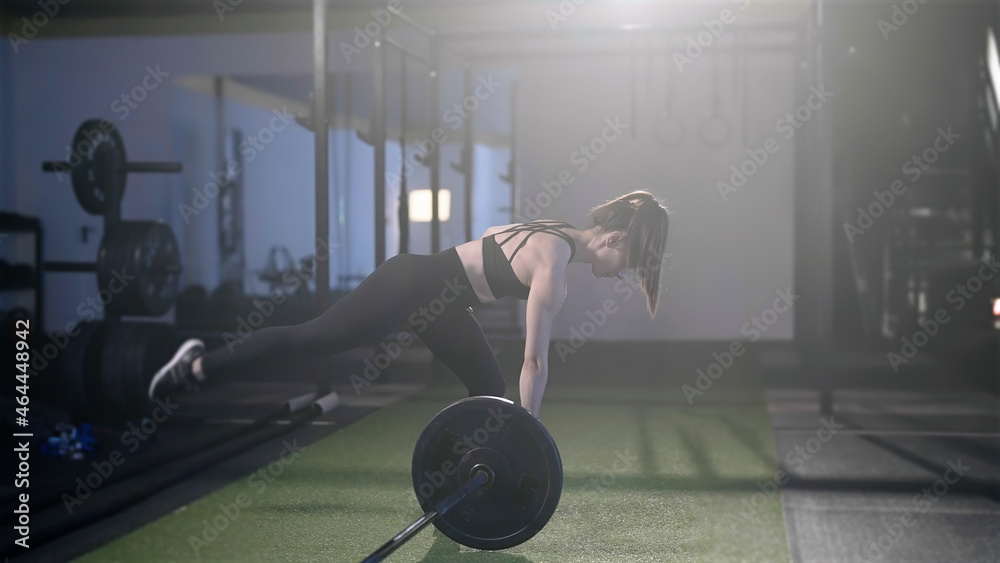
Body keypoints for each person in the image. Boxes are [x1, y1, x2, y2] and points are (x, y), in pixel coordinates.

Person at [149, 190, 669, 417]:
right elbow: (533, 362)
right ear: (614, 239)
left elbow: (489, 238)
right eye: (630, 260)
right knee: (310, 340)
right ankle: (196, 365)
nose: (621, 273)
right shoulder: (554, 269)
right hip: (412, 284)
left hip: (440, 302)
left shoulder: (553, 228)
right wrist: (527, 428)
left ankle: (462, 478)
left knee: (487, 386)